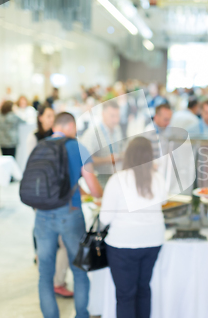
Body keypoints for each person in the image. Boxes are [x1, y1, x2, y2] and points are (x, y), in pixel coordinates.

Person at [34, 112, 103, 318]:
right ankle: (81, 315)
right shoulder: (77, 147)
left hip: (43, 215)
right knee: (80, 272)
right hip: (71, 214)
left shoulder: (40, 146)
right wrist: (97, 194)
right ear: (71, 127)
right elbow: (94, 188)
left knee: (45, 275)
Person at [100, 137, 166, 318]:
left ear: (128, 155)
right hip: (153, 241)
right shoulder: (158, 178)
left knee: (125, 295)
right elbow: (163, 203)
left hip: (123, 244)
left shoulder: (117, 180)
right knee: (143, 289)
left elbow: (105, 218)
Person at [25, 105, 72, 297]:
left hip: (58, 195)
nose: (51, 119)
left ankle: (53, 277)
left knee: (56, 237)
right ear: (41, 118)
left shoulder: (61, 140)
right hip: (40, 192)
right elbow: (30, 166)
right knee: (46, 231)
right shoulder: (34, 138)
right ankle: (51, 277)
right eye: (48, 116)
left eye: (54, 116)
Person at [81, 101, 124, 187]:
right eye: (112, 116)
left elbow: (120, 148)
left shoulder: (118, 129)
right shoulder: (92, 133)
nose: (116, 120)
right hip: (100, 179)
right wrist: (107, 160)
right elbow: (85, 160)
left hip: (117, 177)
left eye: (117, 116)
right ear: (103, 114)